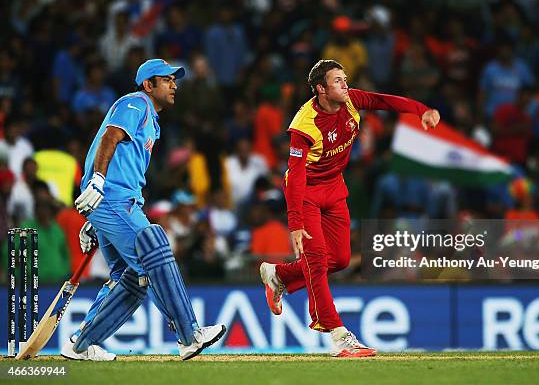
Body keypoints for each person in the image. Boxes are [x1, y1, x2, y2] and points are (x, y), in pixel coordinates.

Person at [259, 60, 440, 357]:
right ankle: (339, 336)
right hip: (306, 194)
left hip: (334, 189)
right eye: (337, 81)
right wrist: (295, 223)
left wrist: (421, 109)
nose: (345, 85)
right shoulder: (304, 125)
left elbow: (384, 101)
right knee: (317, 262)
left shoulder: (351, 101)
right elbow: (296, 174)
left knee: (340, 259)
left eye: (345, 79)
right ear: (321, 89)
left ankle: (279, 275)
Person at [61, 59, 226, 361]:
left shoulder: (152, 119)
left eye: (174, 79)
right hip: (111, 195)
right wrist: (97, 182)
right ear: (149, 85)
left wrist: (97, 220)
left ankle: (80, 344)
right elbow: (111, 136)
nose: (174, 84)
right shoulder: (136, 102)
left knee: (133, 279)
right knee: (154, 244)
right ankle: (189, 335)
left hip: (113, 201)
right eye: (166, 80)